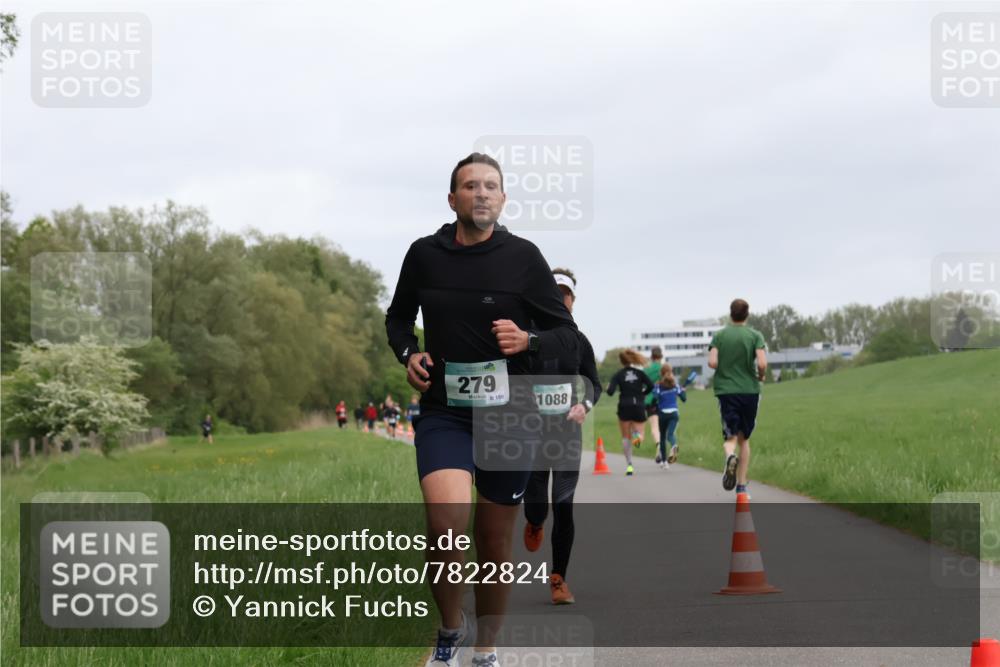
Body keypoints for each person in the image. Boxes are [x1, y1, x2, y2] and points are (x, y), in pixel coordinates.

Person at [385, 152, 579, 667]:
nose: (482, 193)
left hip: (509, 413)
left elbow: (568, 336)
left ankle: (487, 651)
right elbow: (398, 319)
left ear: (504, 198)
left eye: (491, 185)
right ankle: (450, 629)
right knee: (444, 525)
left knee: (493, 545)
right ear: (453, 199)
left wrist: (528, 338)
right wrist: (409, 355)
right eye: (471, 186)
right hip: (445, 410)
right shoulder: (425, 255)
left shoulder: (524, 257)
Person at [522, 267, 601, 606]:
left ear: (572, 300)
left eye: (564, 293)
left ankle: (558, 579)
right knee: (537, 503)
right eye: (553, 292)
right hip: (532, 432)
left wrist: (584, 404)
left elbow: (594, 384)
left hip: (567, 431)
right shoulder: (527, 335)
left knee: (564, 506)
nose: (559, 298)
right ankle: (535, 520)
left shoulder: (579, 342)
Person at [707, 298, 767, 494]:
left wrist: (724, 363)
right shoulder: (755, 335)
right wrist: (762, 376)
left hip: (727, 391)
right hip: (749, 391)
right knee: (745, 439)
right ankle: (741, 487)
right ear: (747, 314)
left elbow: (713, 363)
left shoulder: (719, 336)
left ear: (730, 313)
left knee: (730, 436)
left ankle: (729, 456)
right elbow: (762, 363)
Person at [606, 349, 654, 475]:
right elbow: (651, 386)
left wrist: (608, 388)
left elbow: (610, 392)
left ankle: (629, 465)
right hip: (638, 405)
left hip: (624, 406)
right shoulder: (640, 373)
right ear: (632, 360)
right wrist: (642, 394)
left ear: (621, 362)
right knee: (639, 435)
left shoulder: (618, 374)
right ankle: (637, 437)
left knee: (625, 438)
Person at [652, 363, 686, 469]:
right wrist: (683, 391)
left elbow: (655, 398)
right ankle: (674, 445)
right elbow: (684, 399)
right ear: (672, 372)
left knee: (662, 437)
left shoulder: (658, 386)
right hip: (674, 414)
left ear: (661, 373)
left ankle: (664, 462)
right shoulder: (676, 385)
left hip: (662, 414)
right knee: (670, 435)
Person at [643, 346, 663, 449]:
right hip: (663, 400)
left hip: (649, 400)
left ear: (651, 356)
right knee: (664, 427)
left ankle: (658, 446)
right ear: (661, 356)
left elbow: (642, 385)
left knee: (654, 427)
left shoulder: (646, 369)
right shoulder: (663, 368)